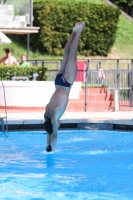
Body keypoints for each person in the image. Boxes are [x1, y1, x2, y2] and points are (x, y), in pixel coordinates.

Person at [43, 21, 85, 152]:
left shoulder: (55, 116)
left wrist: (52, 150)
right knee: (66, 55)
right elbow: (49, 132)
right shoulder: (47, 112)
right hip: (58, 82)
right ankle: (73, 31)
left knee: (72, 55)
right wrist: (48, 145)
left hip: (66, 83)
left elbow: (54, 135)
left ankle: (78, 32)